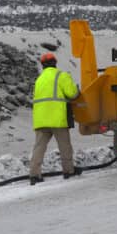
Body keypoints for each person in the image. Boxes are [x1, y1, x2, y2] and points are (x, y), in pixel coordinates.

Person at [28, 52, 82, 184]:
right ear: (55, 63)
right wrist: (77, 90)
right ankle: (68, 171)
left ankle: (34, 175)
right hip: (57, 118)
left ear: (42, 66)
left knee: (39, 147)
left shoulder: (39, 79)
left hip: (41, 119)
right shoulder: (61, 75)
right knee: (64, 146)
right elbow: (72, 93)